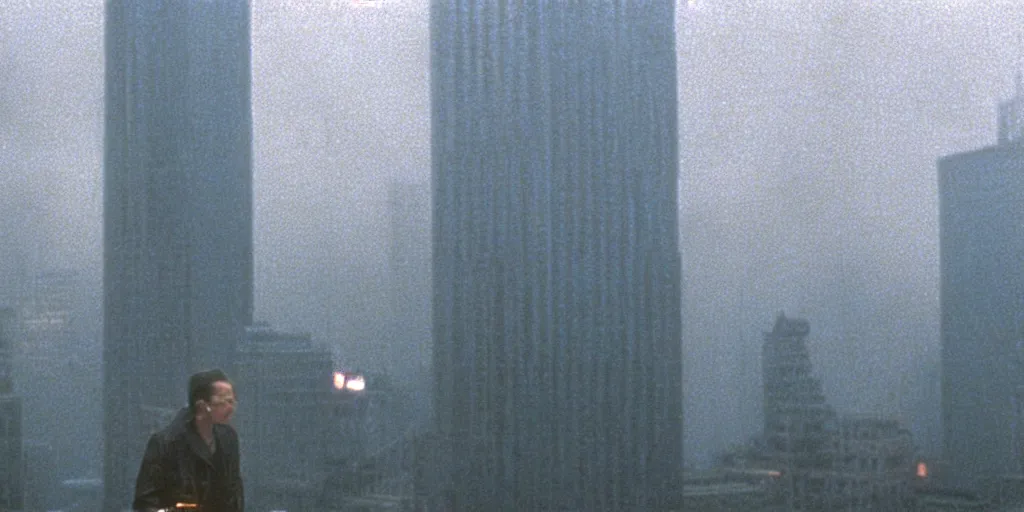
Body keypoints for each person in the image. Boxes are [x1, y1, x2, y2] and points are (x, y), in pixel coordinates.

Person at [133, 369, 244, 512]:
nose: (231, 408)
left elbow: (235, 493)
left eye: (233, 401)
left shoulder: (229, 438)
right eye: (224, 402)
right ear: (202, 406)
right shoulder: (166, 443)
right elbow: (145, 503)